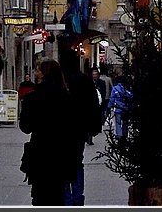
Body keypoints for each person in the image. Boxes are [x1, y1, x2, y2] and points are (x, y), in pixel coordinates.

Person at [19, 58, 77, 206]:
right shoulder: (67, 97)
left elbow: (25, 127)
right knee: (58, 196)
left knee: (40, 196)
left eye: (37, 70)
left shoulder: (33, 97)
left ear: (43, 73)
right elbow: (73, 126)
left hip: (40, 152)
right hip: (62, 153)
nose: (35, 73)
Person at [59, 48, 102, 206]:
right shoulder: (84, 80)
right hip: (79, 129)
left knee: (62, 162)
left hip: (61, 129)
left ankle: (66, 196)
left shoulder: (61, 80)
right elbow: (93, 105)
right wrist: (94, 126)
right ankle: (77, 195)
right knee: (77, 161)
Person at [106, 75, 133, 140]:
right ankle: (124, 134)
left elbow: (112, 99)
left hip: (118, 108)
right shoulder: (127, 88)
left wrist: (108, 107)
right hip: (126, 108)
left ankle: (119, 134)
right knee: (125, 122)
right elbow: (131, 97)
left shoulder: (115, 88)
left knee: (118, 122)